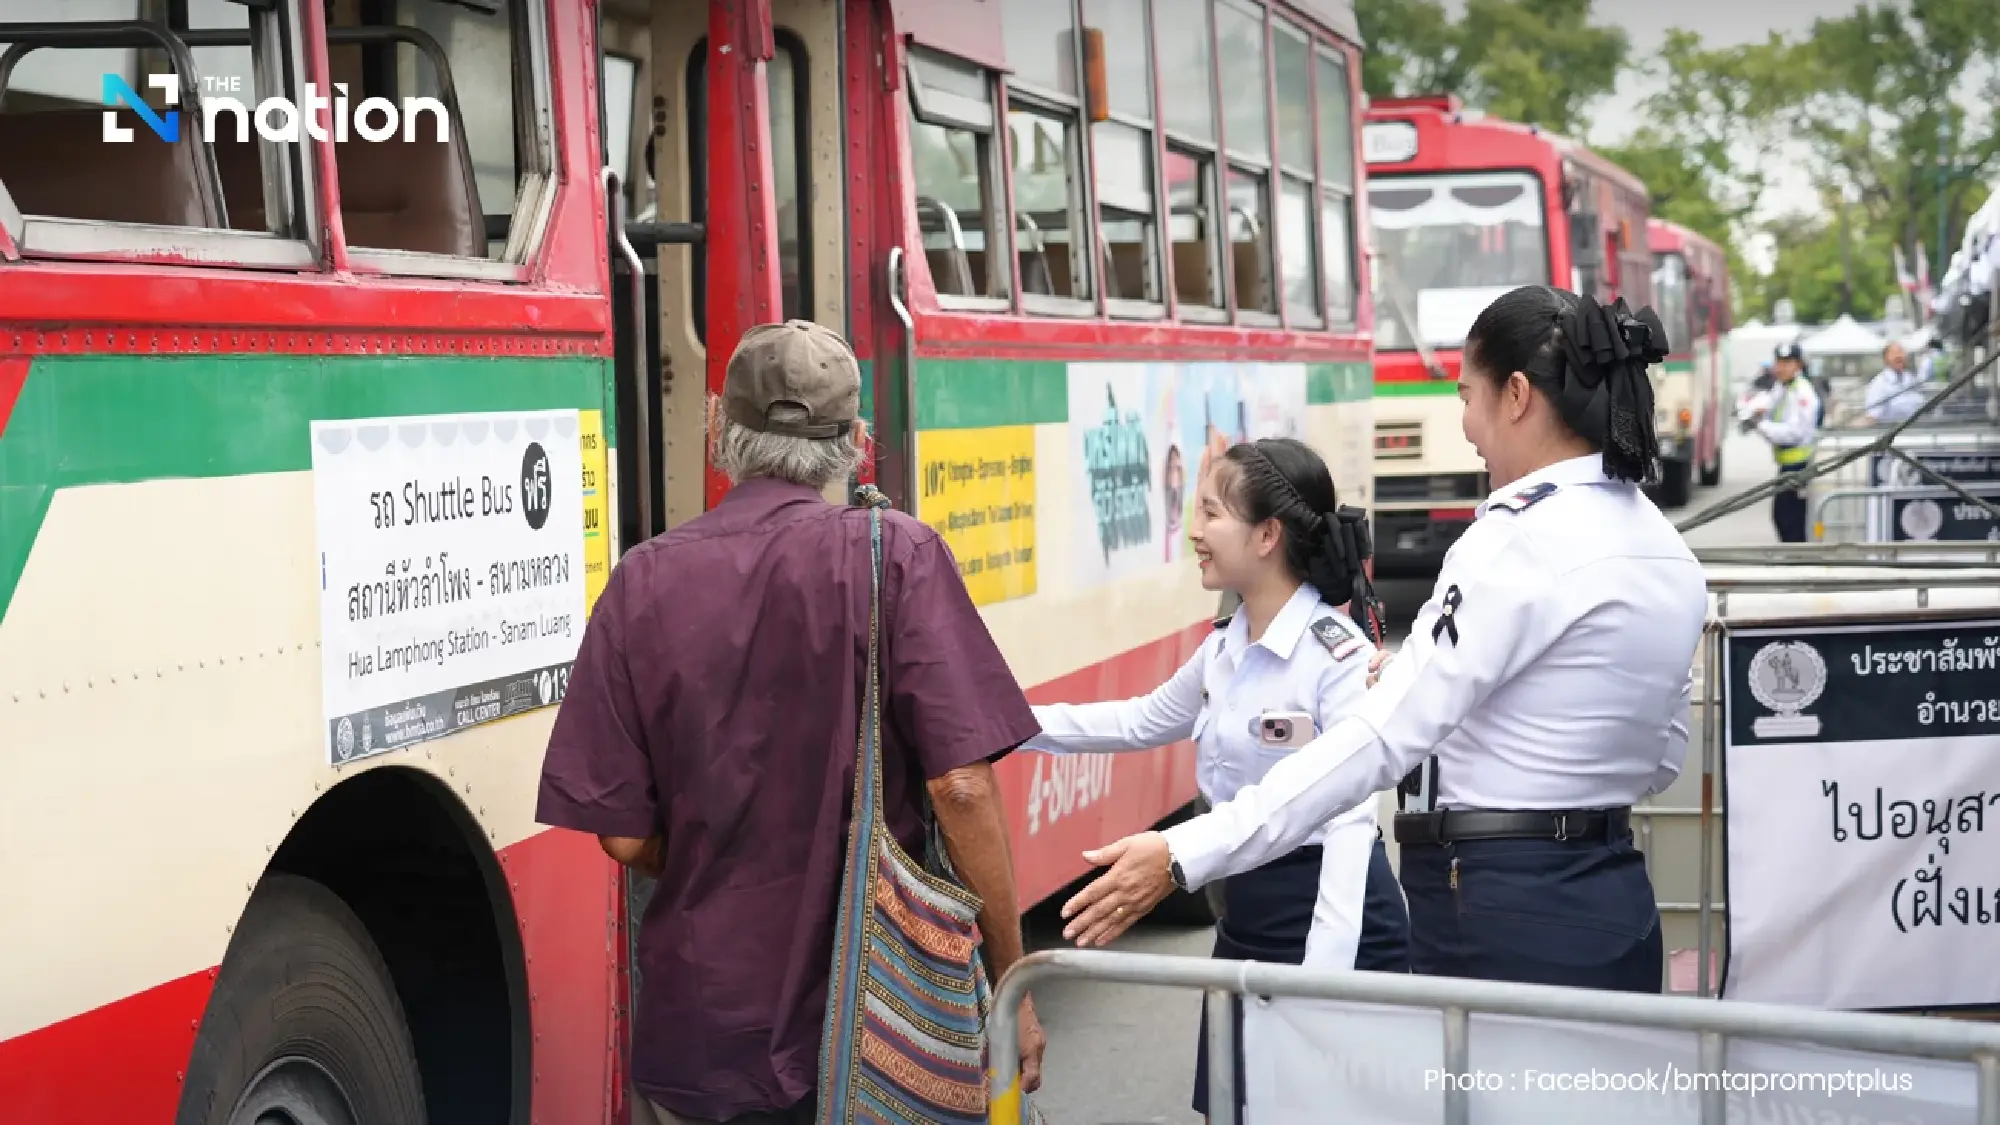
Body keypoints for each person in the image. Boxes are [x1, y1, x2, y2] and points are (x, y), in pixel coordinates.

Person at [1056, 286, 1707, 999]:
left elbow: (1380, 738)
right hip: (1613, 898)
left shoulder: (1517, 540)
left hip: (1501, 916)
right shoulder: (1665, 548)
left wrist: (1186, 848)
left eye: (1466, 396)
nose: (1465, 425)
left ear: (1516, 394)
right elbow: (1658, 755)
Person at [534, 320, 1047, 1125]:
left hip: (705, 1032)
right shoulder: (899, 555)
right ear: (857, 441)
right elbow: (961, 786)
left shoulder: (643, 580)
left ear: (717, 431)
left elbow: (626, 840)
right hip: (881, 1021)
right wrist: (1012, 980)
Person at [1023, 437, 1409, 1120]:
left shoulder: (1337, 657)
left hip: (1333, 923)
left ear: (1267, 535)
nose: (1195, 532)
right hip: (1248, 920)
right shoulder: (1225, 647)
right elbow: (1138, 720)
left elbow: (1350, 831)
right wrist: (1001, 719)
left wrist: (1320, 991)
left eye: (1211, 513)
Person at [1748, 341, 1820, 543]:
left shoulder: (1802, 393)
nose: (1781, 368)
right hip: (1786, 466)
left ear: (1798, 365)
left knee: (1791, 521)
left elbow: (1794, 433)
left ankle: (1798, 565)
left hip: (1799, 466)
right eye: (1779, 362)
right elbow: (1768, 402)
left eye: (1787, 363)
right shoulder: (1784, 387)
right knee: (1782, 517)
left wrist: (1760, 425)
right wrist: (1753, 410)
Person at [1863, 341, 1928, 425]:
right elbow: (1872, 416)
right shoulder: (1879, 384)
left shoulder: (1910, 379)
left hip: (1914, 429)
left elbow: (1921, 405)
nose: (1899, 356)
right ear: (1885, 359)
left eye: (1901, 352)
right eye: (1894, 353)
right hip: (1890, 430)